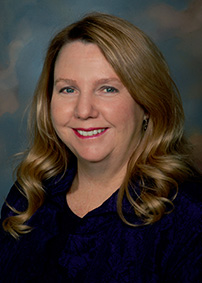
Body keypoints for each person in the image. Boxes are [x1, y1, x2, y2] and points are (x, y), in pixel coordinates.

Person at [0, 12, 201, 282]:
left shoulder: (189, 218)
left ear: (147, 104)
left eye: (107, 89)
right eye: (68, 89)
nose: (84, 111)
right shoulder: (29, 196)